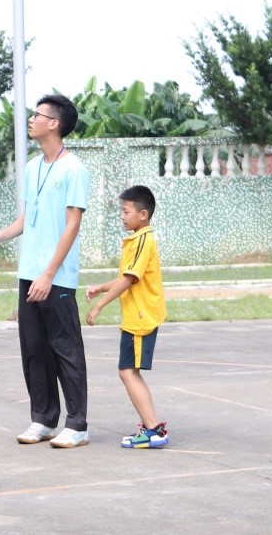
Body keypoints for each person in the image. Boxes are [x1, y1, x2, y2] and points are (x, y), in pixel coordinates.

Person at [0, 93, 92, 448]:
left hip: (55, 276)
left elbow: (71, 226)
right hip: (29, 272)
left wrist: (48, 274)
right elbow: (30, 218)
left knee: (65, 349)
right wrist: (2, 236)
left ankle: (77, 424)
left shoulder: (75, 169)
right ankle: (42, 419)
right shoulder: (32, 167)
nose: (31, 120)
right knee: (33, 349)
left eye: (37, 115)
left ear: (54, 123)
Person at [85, 185, 169, 449]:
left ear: (143, 214)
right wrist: (101, 286)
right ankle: (151, 426)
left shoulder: (144, 239)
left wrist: (100, 305)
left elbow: (130, 280)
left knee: (127, 372)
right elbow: (125, 277)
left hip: (140, 317)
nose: (122, 216)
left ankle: (154, 429)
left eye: (126, 211)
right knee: (129, 371)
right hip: (136, 316)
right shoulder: (137, 239)